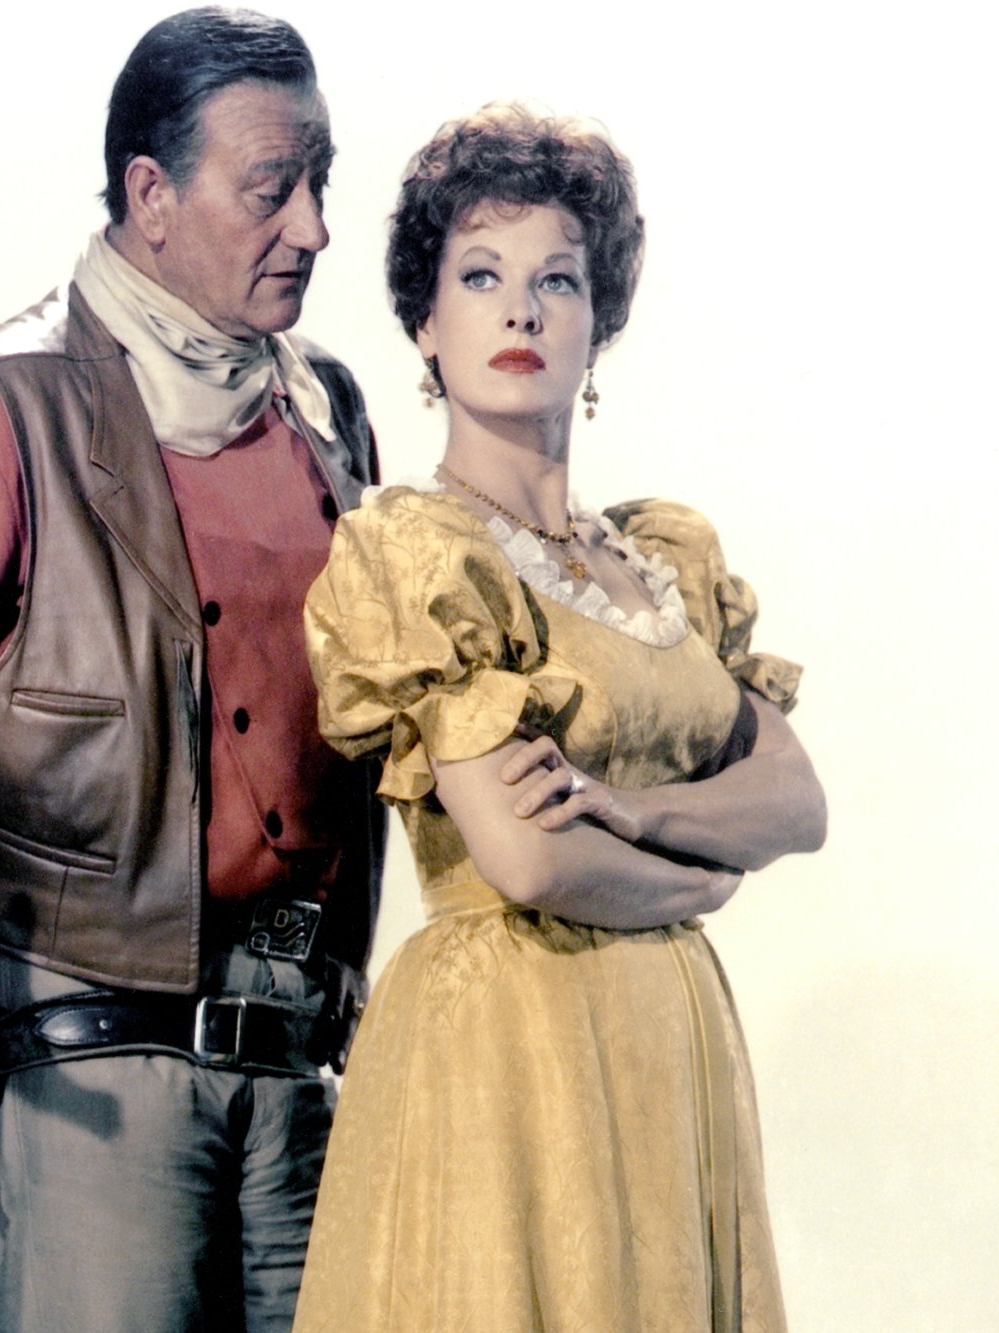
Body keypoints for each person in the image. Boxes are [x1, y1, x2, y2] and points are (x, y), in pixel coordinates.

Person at [0, 9, 383, 1331]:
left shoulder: (328, 412)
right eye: (271, 189)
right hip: (94, 1077)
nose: (314, 229)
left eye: (321, 184)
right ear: (149, 195)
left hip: (309, 1068)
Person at [293, 104, 827, 1331]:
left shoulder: (664, 557)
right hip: (507, 1041)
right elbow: (526, 858)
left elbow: (795, 801)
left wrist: (626, 809)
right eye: (479, 277)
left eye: (557, 281)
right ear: (424, 324)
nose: (520, 314)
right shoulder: (414, 552)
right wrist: (703, 874)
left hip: (668, 1043)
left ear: (599, 322)